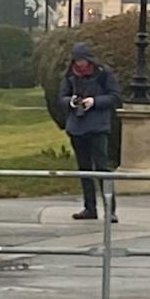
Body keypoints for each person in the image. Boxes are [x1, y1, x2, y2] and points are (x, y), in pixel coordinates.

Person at [59, 42, 122, 223]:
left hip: (97, 127)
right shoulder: (70, 75)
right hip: (77, 127)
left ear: (89, 60)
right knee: (84, 169)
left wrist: (94, 102)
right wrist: (70, 102)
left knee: (102, 168)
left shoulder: (103, 74)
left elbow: (115, 96)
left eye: (83, 61)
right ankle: (90, 207)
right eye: (77, 61)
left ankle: (110, 209)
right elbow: (61, 96)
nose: (80, 65)